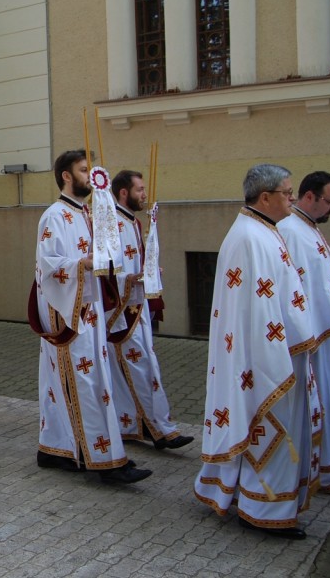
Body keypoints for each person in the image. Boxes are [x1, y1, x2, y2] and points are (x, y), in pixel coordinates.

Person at [194, 164, 320, 540]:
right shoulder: (251, 237)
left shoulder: (263, 229)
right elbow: (260, 310)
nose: (293, 199)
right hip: (268, 359)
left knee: (276, 433)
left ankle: (261, 503)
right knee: (272, 432)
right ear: (265, 197)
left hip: (279, 351)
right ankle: (262, 508)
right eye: (288, 192)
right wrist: (282, 352)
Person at [31, 150, 151, 483]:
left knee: (91, 382)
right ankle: (105, 459)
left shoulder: (90, 214)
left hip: (93, 309)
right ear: (66, 176)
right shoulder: (53, 216)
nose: (89, 175)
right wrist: (80, 265)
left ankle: (56, 448)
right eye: (83, 170)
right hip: (70, 313)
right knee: (85, 383)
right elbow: (47, 267)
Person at [278, 171, 330, 498]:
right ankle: (325, 471)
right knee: (323, 403)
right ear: (309, 197)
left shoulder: (307, 227)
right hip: (316, 339)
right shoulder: (291, 231)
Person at [106, 170, 192, 449]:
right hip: (122, 312)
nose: (144, 194)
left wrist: (149, 272)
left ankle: (140, 423)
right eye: (140, 190)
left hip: (137, 307)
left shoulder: (132, 222)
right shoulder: (112, 225)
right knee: (139, 368)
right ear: (123, 193)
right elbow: (104, 272)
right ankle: (159, 428)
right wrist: (133, 279)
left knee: (145, 367)